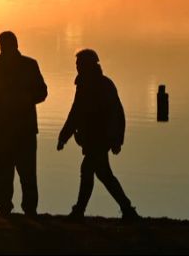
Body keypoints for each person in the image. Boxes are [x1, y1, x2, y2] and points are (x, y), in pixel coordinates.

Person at [57, 49, 139, 221]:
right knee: (103, 175)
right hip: (91, 139)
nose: (77, 67)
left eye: (80, 64)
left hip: (100, 139)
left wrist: (117, 139)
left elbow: (116, 113)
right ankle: (127, 208)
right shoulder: (83, 85)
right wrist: (64, 136)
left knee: (88, 170)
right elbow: (76, 113)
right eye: (77, 64)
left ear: (89, 65)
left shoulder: (103, 85)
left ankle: (80, 211)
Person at [0, 31, 47, 216]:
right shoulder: (28, 65)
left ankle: (16, 209)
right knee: (11, 172)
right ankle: (13, 209)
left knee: (14, 172)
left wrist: (24, 98)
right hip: (12, 130)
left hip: (15, 130)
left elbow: (42, 92)